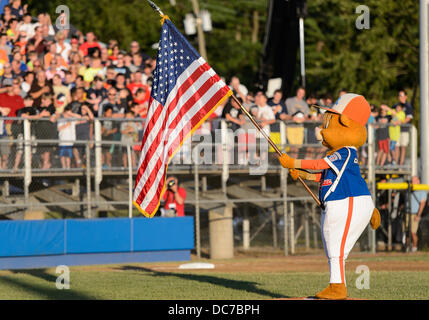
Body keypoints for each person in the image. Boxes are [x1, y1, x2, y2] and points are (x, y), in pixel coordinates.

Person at [285, 87, 310, 158]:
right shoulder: (289, 101)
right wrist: (291, 118)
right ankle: (290, 164)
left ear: (304, 94)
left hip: (299, 127)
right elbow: (284, 113)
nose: (300, 94)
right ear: (297, 92)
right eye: (299, 92)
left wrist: (304, 119)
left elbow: (306, 116)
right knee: (292, 147)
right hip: (290, 126)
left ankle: (293, 165)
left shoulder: (304, 104)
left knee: (297, 148)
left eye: (302, 93)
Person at [406, 176, 427, 252]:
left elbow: (422, 204)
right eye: (412, 181)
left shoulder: (422, 191)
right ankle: (407, 248)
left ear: (418, 181)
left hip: (414, 214)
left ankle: (414, 248)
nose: (412, 182)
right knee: (407, 232)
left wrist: (418, 215)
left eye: (414, 180)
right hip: (407, 213)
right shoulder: (409, 190)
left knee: (413, 232)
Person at [393, 90, 413, 166]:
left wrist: (400, 122)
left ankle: (401, 165)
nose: (399, 97)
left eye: (401, 95)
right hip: (396, 130)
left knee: (403, 147)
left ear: (405, 96)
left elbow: (409, 118)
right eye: (399, 95)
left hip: (404, 130)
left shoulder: (408, 106)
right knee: (396, 146)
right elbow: (392, 115)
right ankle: (395, 163)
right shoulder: (396, 105)